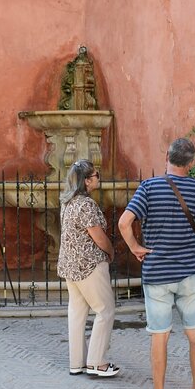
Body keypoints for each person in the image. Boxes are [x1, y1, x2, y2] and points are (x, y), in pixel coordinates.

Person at [119, 138, 195, 389]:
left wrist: (136, 248)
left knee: (160, 335)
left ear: (167, 156)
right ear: (191, 162)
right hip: (192, 270)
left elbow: (125, 222)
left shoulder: (149, 187)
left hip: (158, 271)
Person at [57, 159, 120, 377]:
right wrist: (111, 251)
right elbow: (98, 237)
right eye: (95, 175)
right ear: (86, 181)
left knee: (77, 313)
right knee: (105, 310)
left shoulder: (67, 202)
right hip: (89, 265)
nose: (98, 178)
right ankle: (97, 362)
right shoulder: (86, 204)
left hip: (70, 266)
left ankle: (77, 362)